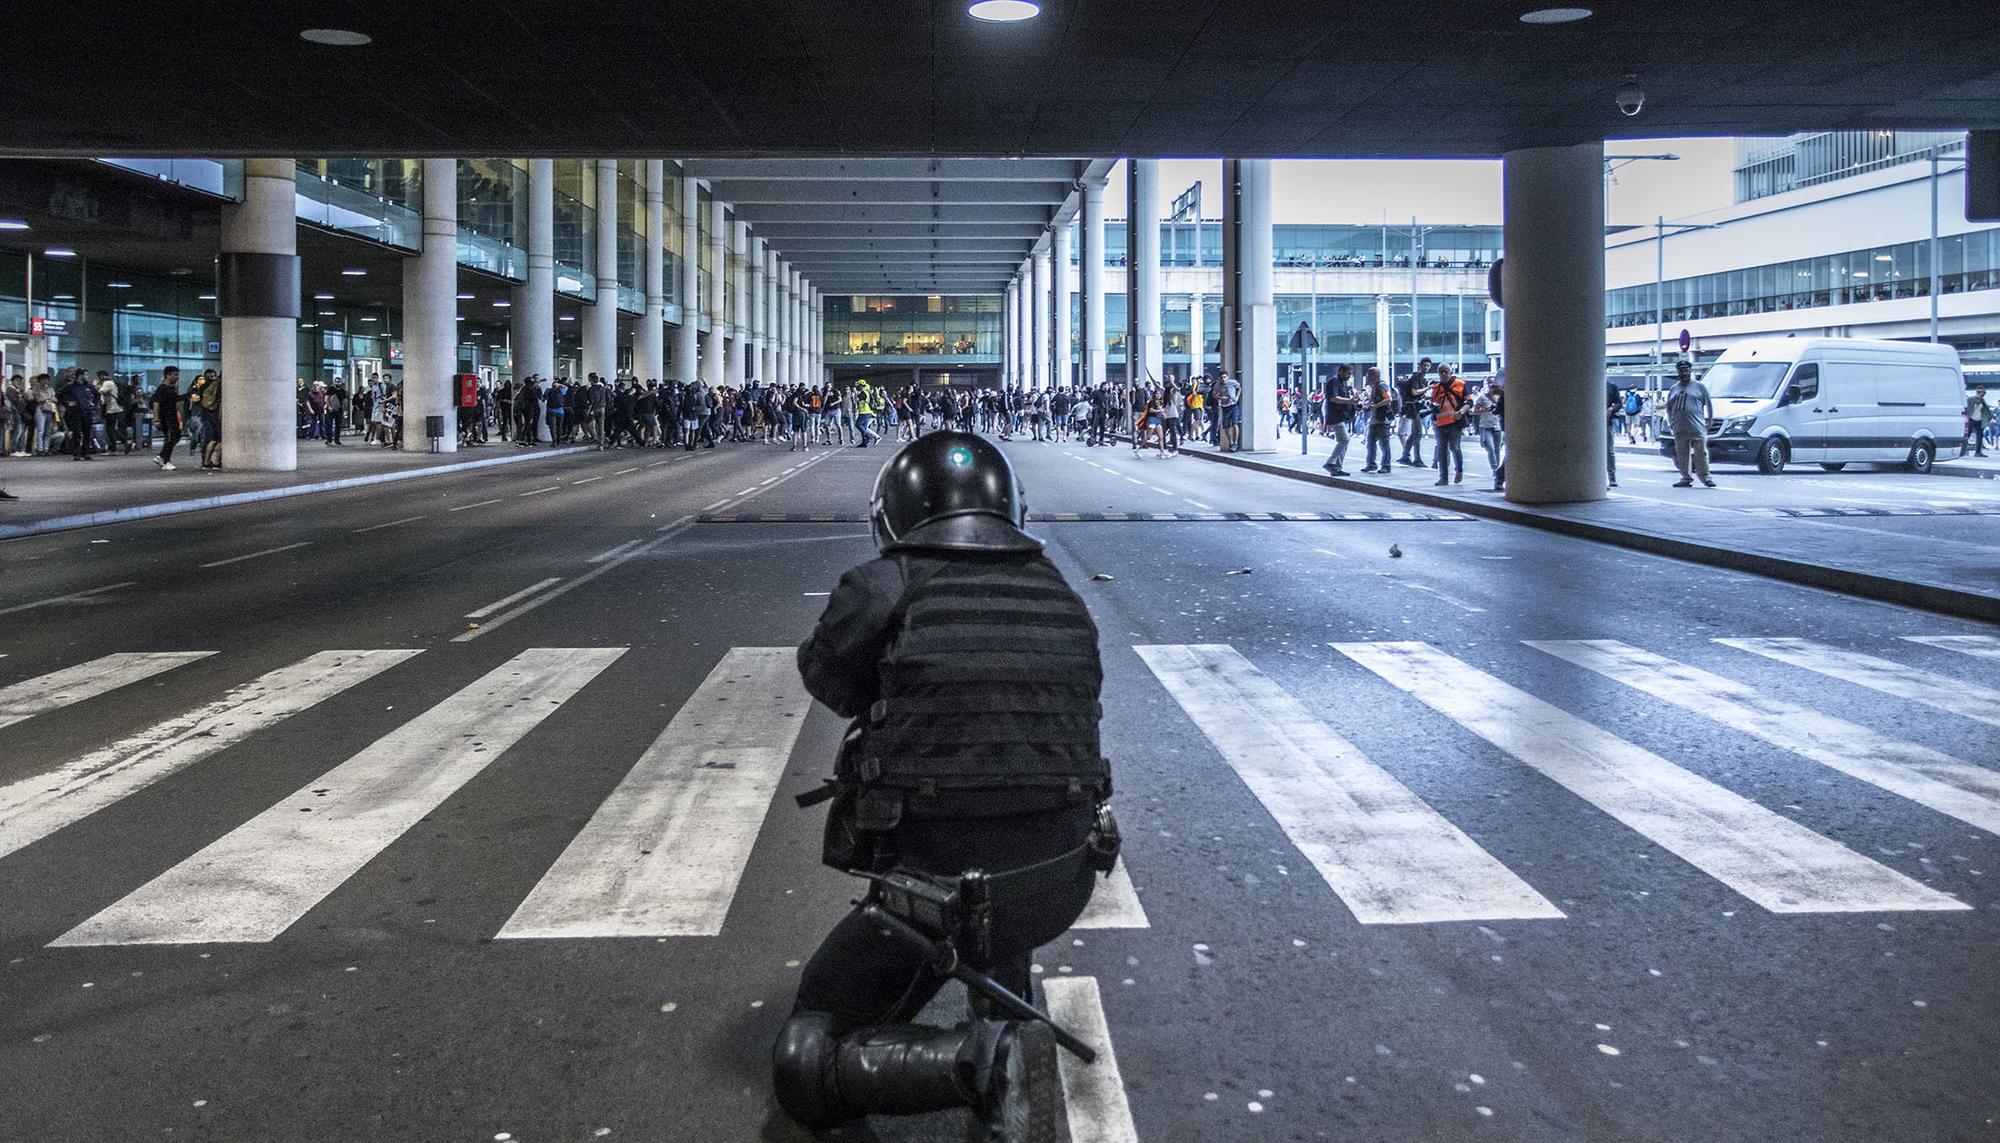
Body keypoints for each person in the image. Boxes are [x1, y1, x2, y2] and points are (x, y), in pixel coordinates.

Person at [775, 431, 1112, 1140]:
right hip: (1060, 875)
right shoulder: (1059, 590)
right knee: (1002, 844)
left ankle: (985, 1059)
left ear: (895, 511)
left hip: (932, 883)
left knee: (807, 1050)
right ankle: (1003, 1014)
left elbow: (828, 679)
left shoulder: (885, 581)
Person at [1666, 359, 1715, 488]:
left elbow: (1708, 404)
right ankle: (1685, 478)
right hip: (1679, 427)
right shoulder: (1673, 388)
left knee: (1701, 453)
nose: (1683, 373)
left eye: (1686, 370)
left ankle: (1706, 478)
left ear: (1690, 371)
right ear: (1677, 372)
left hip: (1697, 426)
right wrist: (1671, 421)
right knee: (1682, 453)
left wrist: (1710, 419)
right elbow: (1669, 407)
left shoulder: (1699, 387)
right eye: (1681, 370)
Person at [1430, 364, 1467, 486]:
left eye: (1446, 371)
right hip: (1440, 422)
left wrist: (1461, 411)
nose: (1443, 374)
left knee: (1454, 447)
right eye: (1441, 372)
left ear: (1450, 372)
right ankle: (1443, 478)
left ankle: (1459, 471)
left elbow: (1469, 401)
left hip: (1455, 422)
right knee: (1442, 450)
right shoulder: (1436, 388)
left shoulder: (1460, 384)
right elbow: (1433, 403)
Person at [1322, 364, 1357, 476]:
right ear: (1341, 371)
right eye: (1348, 374)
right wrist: (1350, 401)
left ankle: (1337, 467)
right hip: (1335, 416)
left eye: (1350, 374)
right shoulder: (1334, 381)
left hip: (1340, 416)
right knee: (1344, 440)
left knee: (1343, 441)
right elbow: (1333, 398)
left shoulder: (1341, 382)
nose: (1349, 376)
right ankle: (1330, 463)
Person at [1361, 368, 1395, 474]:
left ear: (1375, 375)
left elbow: (1388, 399)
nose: (1368, 377)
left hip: (1382, 419)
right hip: (1375, 419)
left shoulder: (1381, 385)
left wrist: (1375, 406)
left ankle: (1386, 465)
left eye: (1370, 375)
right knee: (1370, 442)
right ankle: (1371, 464)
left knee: (1384, 444)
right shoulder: (1374, 386)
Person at [151, 367, 184, 470]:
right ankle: (164, 460)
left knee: (175, 436)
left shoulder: (171, 388)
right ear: (168, 375)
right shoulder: (162, 388)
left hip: (172, 416)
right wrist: (156, 419)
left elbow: (175, 401)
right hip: (166, 418)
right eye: (175, 374)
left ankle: (163, 457)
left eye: (177, 375)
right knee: (171, 437)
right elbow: (156, 403)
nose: (177, 377)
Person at [1605, 376, 1622, 488]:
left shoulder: (1611, 386)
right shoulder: (1585, 384)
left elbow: (1618, 403)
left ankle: (1612, 477)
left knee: (1609, 450)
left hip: (1607, 422)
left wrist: (1611, 409)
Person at [1965, 386, 1990, 457]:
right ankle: (1964, 450)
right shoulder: (1970, 400)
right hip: (1971, 419)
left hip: (1979, 420)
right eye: (1979, 392)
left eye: (1982, 392)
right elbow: (1967, 408)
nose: (1980, 394)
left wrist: (1989, 418)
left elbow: (1986, 410)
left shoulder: (1983, 401)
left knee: (1980, 436)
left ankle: (1978, 452)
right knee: (1968, 434)